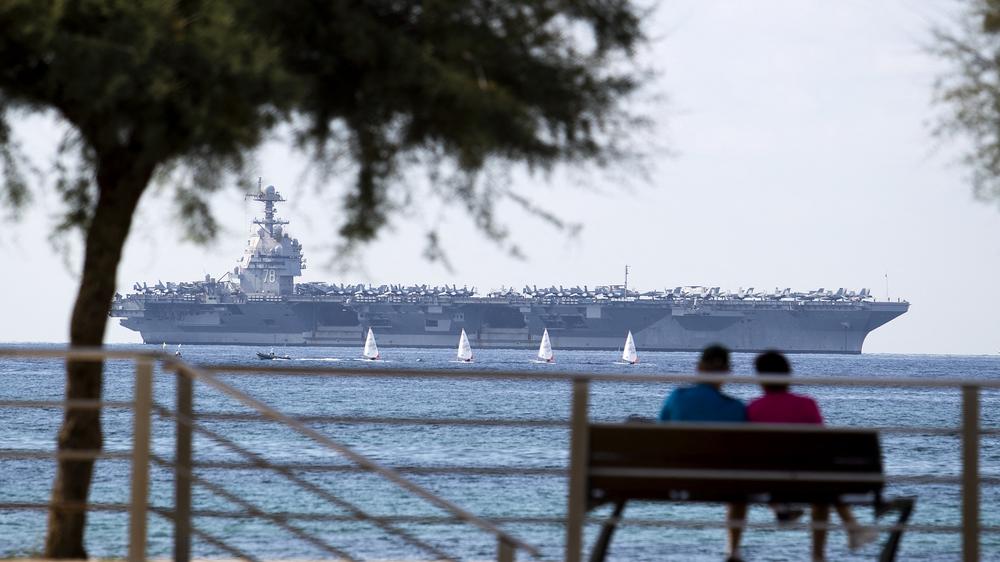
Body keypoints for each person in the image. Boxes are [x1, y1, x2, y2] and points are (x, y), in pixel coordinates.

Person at [747, 351, 878, 561]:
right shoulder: (807, 404)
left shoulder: (753, 408)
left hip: (767, 483)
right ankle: (824, 550)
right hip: (806, 481)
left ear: (760, 378)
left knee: (820, 483)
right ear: (788, 375)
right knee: (823, 486)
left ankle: (779, 510)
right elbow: (821, 444)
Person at [658, 345, 747, 562]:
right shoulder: (736, 408)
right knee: (740, 488)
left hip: (675, 479)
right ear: (727, 372)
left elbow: (660, 436)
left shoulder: (676, 398)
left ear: (698, 367)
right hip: (722, 482)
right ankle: (733, 549)